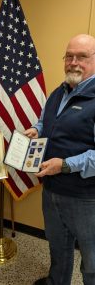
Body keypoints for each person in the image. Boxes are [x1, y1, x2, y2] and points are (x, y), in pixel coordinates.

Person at [24, 34, 95, 285]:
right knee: (58, 246)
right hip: (52, 189)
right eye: (69, 56)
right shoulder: (58, 91)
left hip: (86, 198)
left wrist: (65, 164)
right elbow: (46, 122)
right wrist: (36, 129)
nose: (73, 62)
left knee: (92, 259)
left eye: (82, 57)